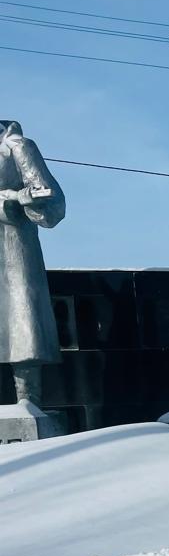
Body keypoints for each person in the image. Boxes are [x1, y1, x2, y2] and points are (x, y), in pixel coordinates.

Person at [0, 120, 66, 406]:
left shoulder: (18, 146)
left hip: (12, 245)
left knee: (21, 320)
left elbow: (52, 203)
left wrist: (20, 199)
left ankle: (29, 403)